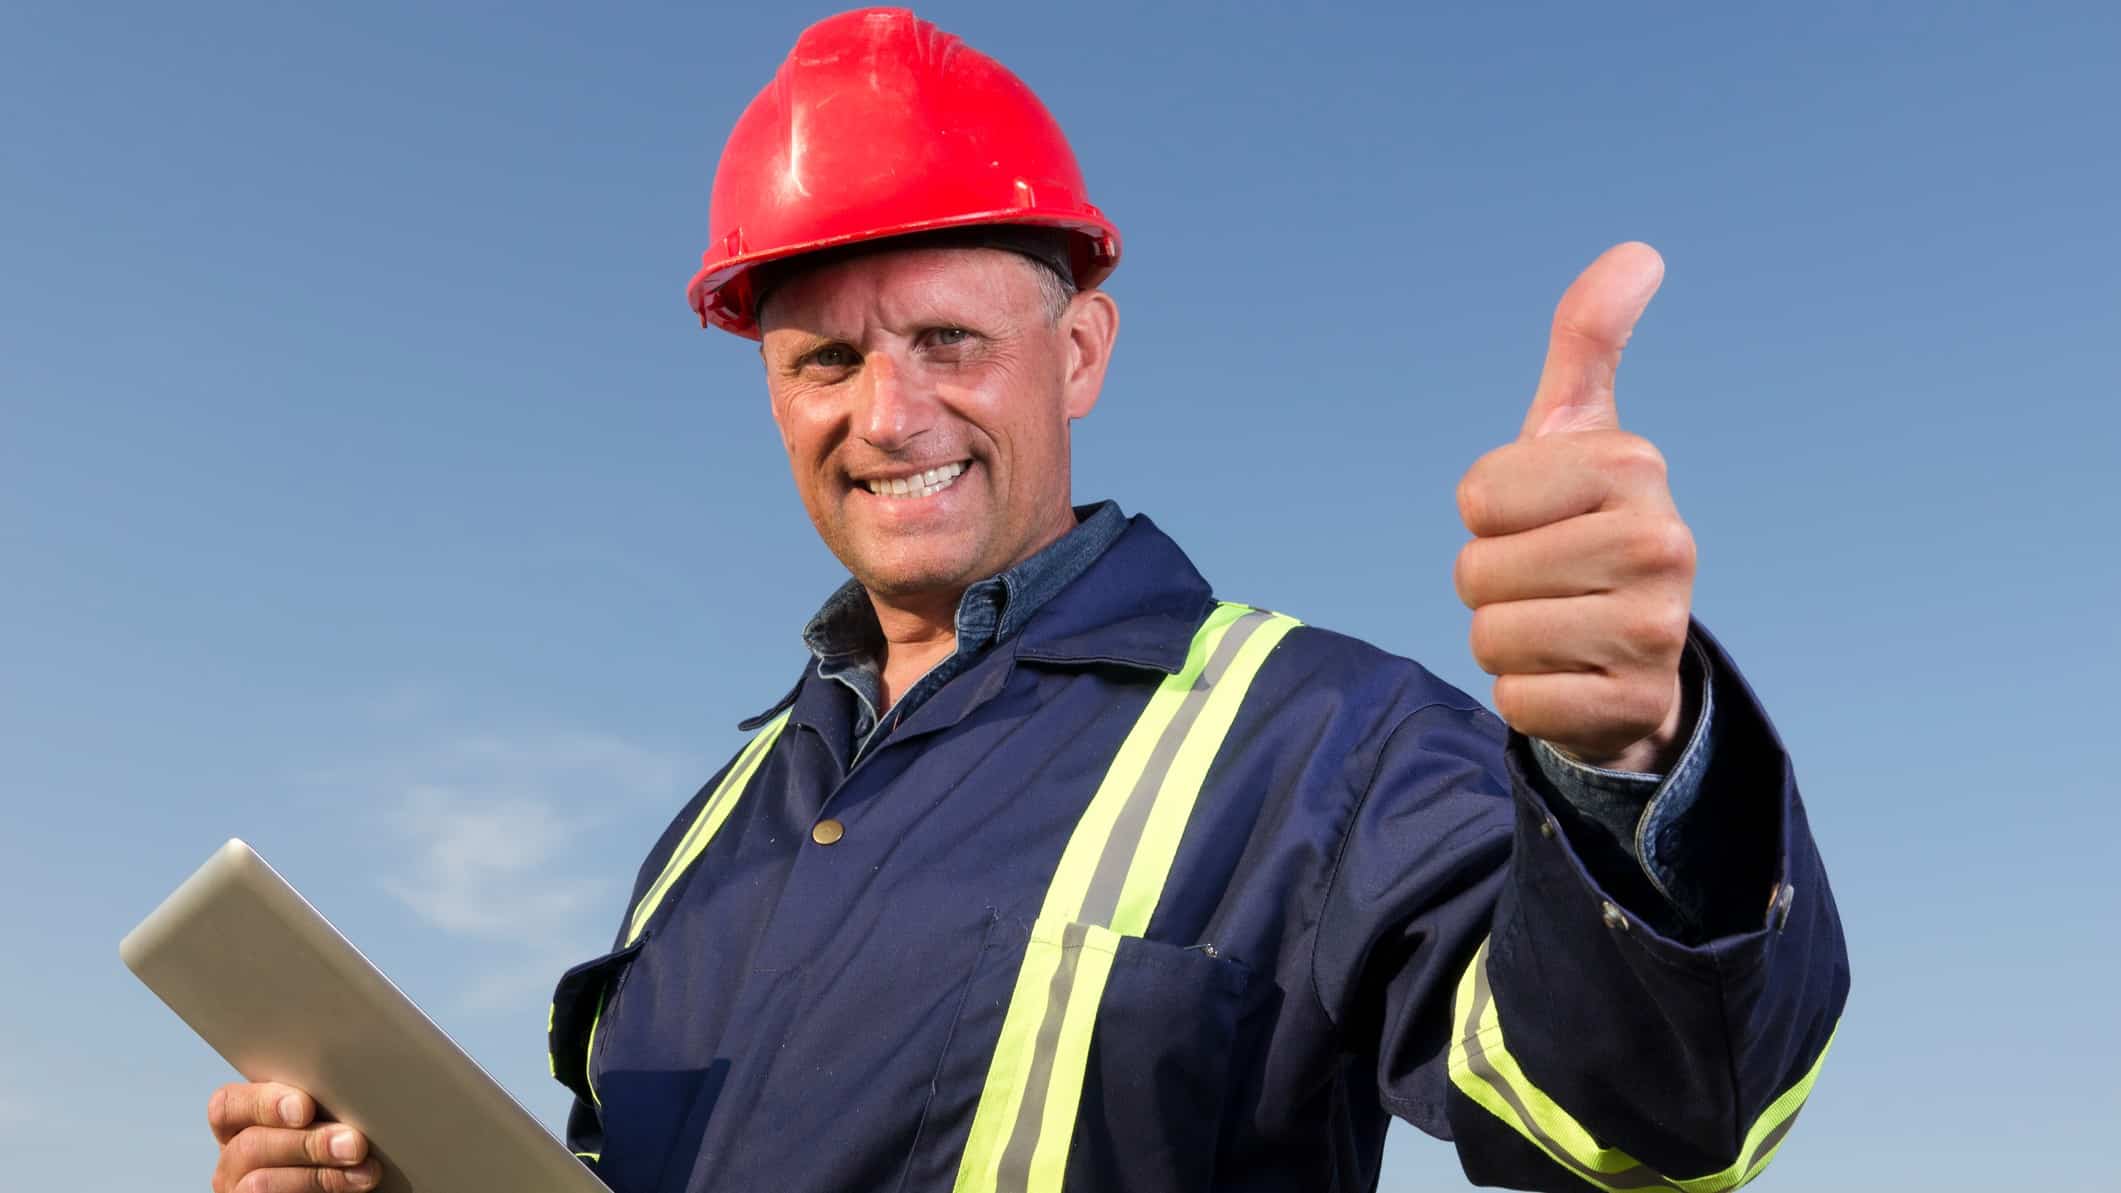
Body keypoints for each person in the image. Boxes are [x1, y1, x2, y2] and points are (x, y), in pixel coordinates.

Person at [203, 8, 1848, 1193]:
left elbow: (1644, 1131)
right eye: (825, 359)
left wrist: (1630, 767)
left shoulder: (1314, 738)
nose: (887, 414)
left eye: (947, 341)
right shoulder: (714, 834)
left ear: (1077, 353)